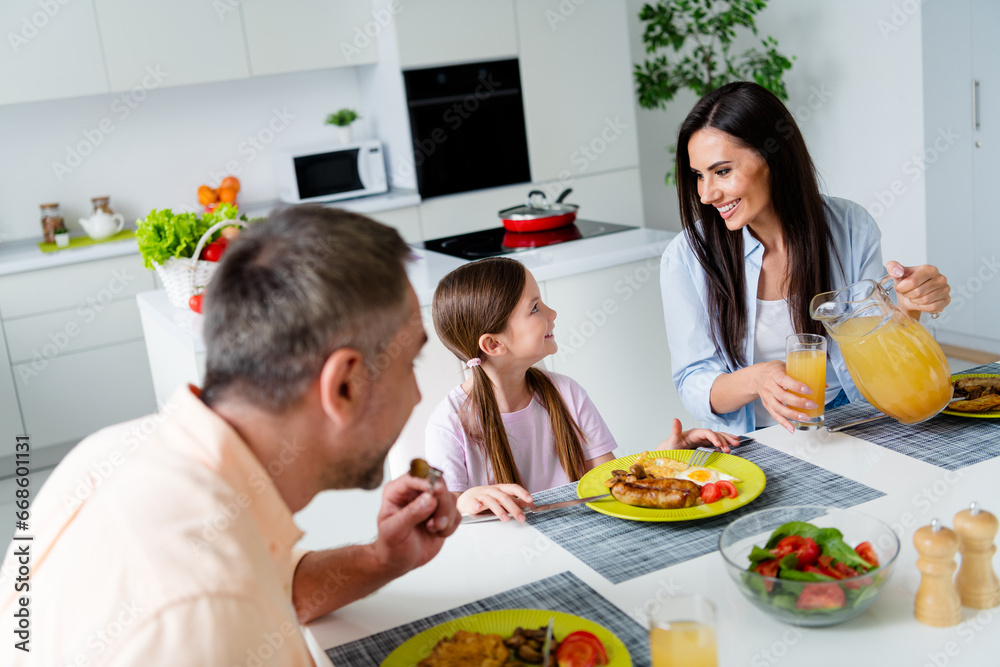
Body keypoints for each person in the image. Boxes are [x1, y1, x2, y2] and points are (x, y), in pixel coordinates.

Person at [0, 206, 460, 666]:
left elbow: (273, 585)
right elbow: (223, 602)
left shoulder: (113, 451)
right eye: (410, 364)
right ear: (344, 385)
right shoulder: (204, 615)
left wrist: (383, 558)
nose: (418, 395)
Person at [660, 82, 951, 434]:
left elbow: (877, 347)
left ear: (773, 156)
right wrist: (758, 378)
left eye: (722, 171)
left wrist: (908, 307)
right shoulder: (686, 257)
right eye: (698, 176)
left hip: (855, 420)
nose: (706, 194)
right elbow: (694, 383)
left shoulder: (850, 227)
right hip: (756, 440)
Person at [425, 257, 739, 522]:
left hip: (581, 533)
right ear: (494, 344)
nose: (552, 313)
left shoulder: (566, 393)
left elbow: (608, 482)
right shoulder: (448, 424)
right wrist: (464, 502)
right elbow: (442, 517)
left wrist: (665, 458)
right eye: (535, 308)